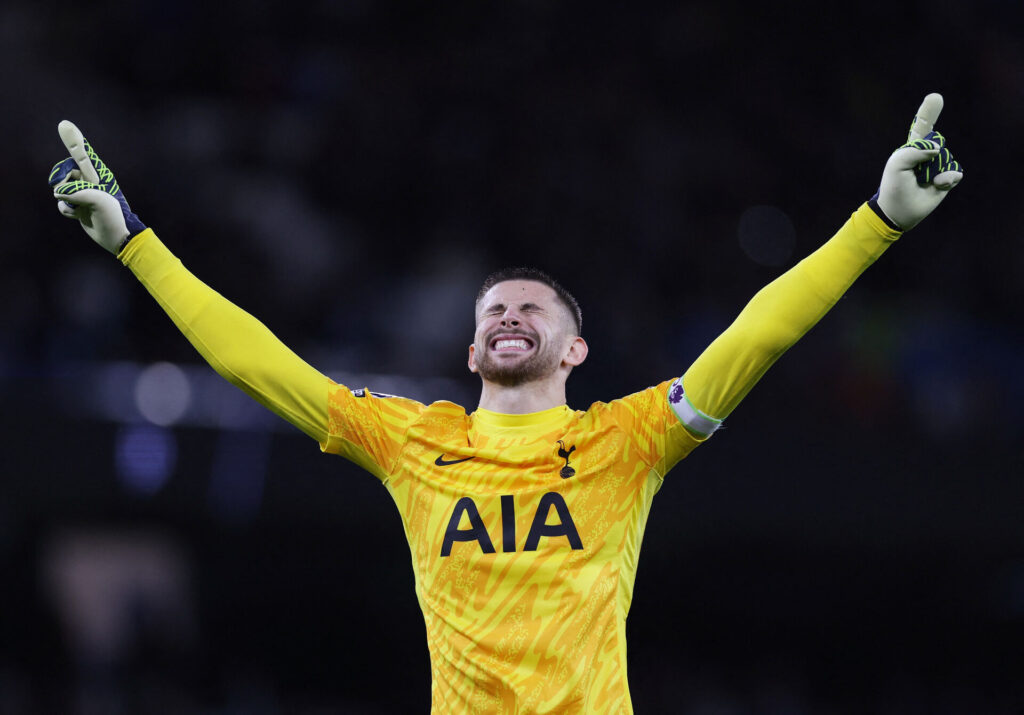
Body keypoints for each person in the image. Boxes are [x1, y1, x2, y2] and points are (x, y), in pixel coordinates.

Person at [48, 94, 962, 714]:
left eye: (533, 308)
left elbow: (755, 338)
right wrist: (132, 242)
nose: (510, 316)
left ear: (575, 350)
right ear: (473, 348)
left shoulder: (627, 439)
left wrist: (874, 224)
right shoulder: (413, 441)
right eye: (494, 311)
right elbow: (255, 362)